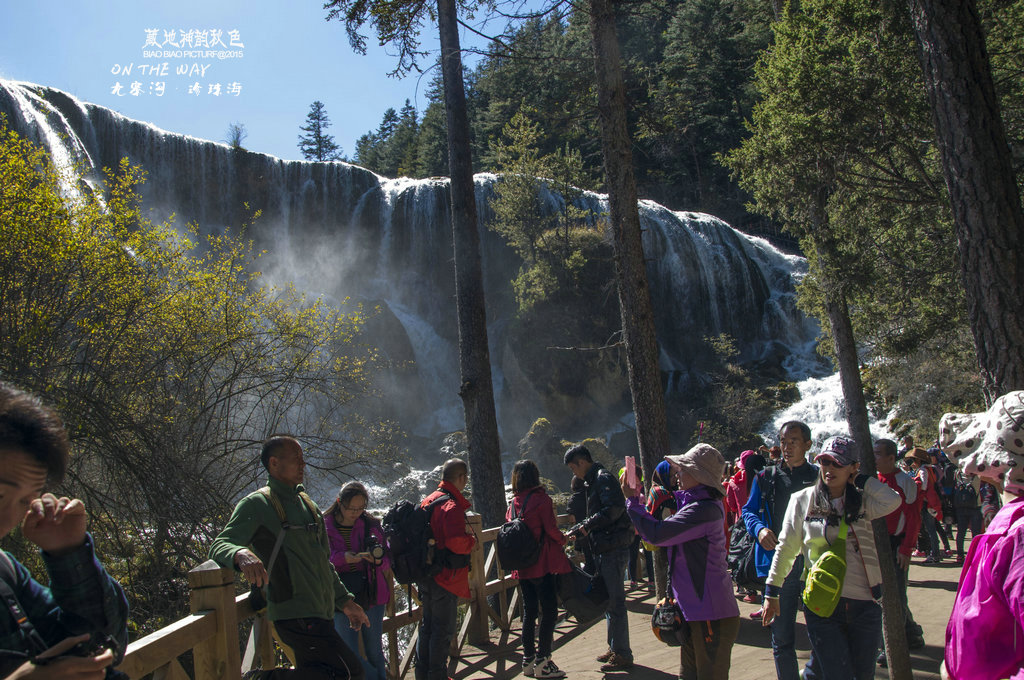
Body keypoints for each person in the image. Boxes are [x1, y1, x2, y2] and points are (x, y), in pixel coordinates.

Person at [209, 435, 370, 679]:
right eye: (296, 459)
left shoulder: (307, 504)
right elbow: (221, 543)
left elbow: (323, 562)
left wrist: (345, 602)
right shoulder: (257, 504)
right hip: (294, 613)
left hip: (320, 611)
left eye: (303, 459)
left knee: (319, 672)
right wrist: (240, 553)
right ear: (274, 463)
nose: (303, 464)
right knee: (350, 673)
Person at [0, 381, 129, 679]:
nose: (8, 521)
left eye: (24, 501)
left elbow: (104, 649)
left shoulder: (6, 572)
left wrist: (70, 554)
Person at [761, 436, 901, 680]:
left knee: (862, 675)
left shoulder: (863, 501)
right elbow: (786, 548)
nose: (829, 469)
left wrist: (860, 479)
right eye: (825, 462)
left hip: (865, 603)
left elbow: (893, 500)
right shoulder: (802, 500)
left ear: (852, 467)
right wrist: (772, 592)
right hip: (822, 603)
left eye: (838, 463)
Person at [624, 444, 741, 680]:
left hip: (710, 613)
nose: (677, 474)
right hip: (696, 612)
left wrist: (633, 502)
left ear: (699, 476)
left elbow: (657, 534)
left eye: (683, 470)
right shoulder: (697, 503)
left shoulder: (703, 510)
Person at [741, 421, 820, 680]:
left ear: (807, 445)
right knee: (782, 637)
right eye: (783, 442)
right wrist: (760, 530)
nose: (787, 447)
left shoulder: (820, 477)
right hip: (779, 564)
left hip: (813, 564)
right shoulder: (766, 477)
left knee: (823, 631)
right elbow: (748, 511)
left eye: (794, 441)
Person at [564, 444, 634, 672]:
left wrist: (586, 525)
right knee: (609, 600)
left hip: (612, 546)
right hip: (605, 546)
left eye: (573, 468)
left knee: (615, 601)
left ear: (581, 462)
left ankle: (622, 653)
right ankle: (615, 647)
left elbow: (613, 509)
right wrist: (585, 527)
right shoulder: (595, 480)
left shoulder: (602, 478)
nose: (574, 473)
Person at [506, 460, 572, 679]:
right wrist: (563, 540)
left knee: (529, 611)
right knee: (550, 611)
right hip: (541, 564)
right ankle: (544, 660)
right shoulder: (541, 499)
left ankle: (528, 660)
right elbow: (550, 529)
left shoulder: (513, 503)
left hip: (522, 566)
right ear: (535, 476)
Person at [416, 458, 476, 680]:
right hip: (446, 577)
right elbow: (455, 542)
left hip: (426, 574)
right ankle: (438, 676)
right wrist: (471, 542)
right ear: (461, 478)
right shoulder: (451, 505)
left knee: (428, 627)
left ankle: (422, 674)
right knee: (443, 631)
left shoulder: (428, 500)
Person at [326, 482, 391, 680]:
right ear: (339, 503)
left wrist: (377, 560)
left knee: (374, 651)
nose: (355, 513)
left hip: (371, 592)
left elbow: (387, 558)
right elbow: (319, 559)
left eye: (360, 508)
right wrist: (343, 557)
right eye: (351, 508)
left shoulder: (371, 524)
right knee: (348, 653)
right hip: (341, 597)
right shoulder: (324, 525)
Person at [872, 439, 925, 667]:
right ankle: (912, 633)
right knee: (886, 592)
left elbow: (914, 517)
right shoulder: (873, 480)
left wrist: (906, 548)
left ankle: (891, 645)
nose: (873, 458)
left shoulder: (905, 481)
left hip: (897, 545)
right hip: (877, 544)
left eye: (877, 454)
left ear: (891, 458)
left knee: (895, 594)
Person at [726, 450, 765, 603]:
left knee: (744, 555)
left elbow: (732, 506)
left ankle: (750, 590)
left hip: (742, 522)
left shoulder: (734, 482)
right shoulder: (764, 478)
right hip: (762, 523)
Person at [906, 447, 945, 563]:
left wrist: (913, 482)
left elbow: (923, 485)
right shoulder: (931, 469)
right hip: (932, 502)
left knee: (930, 529)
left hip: (926, 502)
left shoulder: (923, 470)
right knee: (933, 528)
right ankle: (935, 552)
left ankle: (935, 554)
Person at [952, 469, 982, 561]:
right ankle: (975, 554)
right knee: (976, 533)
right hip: (975, 506)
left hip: (961, 507)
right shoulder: (977, 476)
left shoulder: (958, 474)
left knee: (961, 532)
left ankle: (960, 555)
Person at [566, 475, 594, 572]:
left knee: (589, 559)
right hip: (594, 529)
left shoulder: (574, 499)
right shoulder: (590, 495)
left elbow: (572, 518)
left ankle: (589, 581)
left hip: (582, 533)